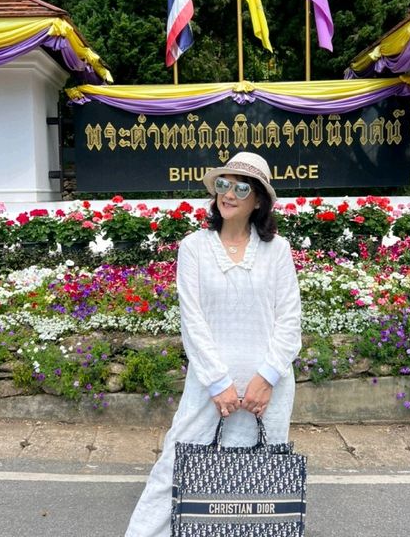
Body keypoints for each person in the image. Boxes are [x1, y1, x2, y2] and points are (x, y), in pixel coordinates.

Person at [124, 151, 302, 537]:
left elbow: (289, 321)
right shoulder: (194, 247)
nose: (229, 193)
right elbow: (193, 321)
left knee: (252, 485)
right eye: (223, 184)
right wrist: (219, 382)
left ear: (258, 200)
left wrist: (266, 377)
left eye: (242, 187)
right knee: (174, 467)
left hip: (266, 388)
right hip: (209, 384)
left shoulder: (278, 250)